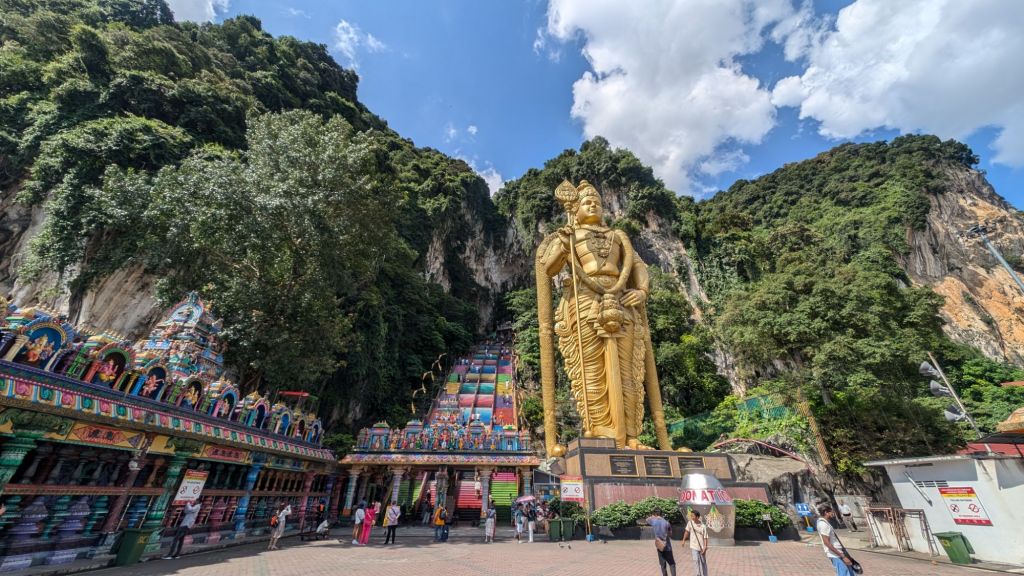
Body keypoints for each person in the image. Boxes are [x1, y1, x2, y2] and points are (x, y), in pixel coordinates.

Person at [817, 505, 854, 576]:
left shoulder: (824, 523)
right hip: (835, 554)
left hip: (838, 552)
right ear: (826, 512)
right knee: (844, 573)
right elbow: (826, 542)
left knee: (849, 573)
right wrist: (842, 556)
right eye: (831, 512)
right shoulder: (823, 524)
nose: (833, 514)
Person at [647, 508, 676, 576]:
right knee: (672, 564)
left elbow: (647, 519)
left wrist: (652, 517)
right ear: (661, 514)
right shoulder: (666, 523)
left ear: (655, 514)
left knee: (662, 564)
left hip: (659, 546)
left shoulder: (653, 522)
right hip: (667, 546)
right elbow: (670, 534)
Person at [682, 509, 708, 576]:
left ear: (697, 517)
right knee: (696, 561)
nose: (691, 517)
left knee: (703, 562)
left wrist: (705, 547)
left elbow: (705, 537)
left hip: (701, 547)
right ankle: (698, 574)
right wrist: (683, 540)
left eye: (693, 516)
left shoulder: (703, 526)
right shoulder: (690, 523)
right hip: (694, 546)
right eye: (691, 516)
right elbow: (686, 531)